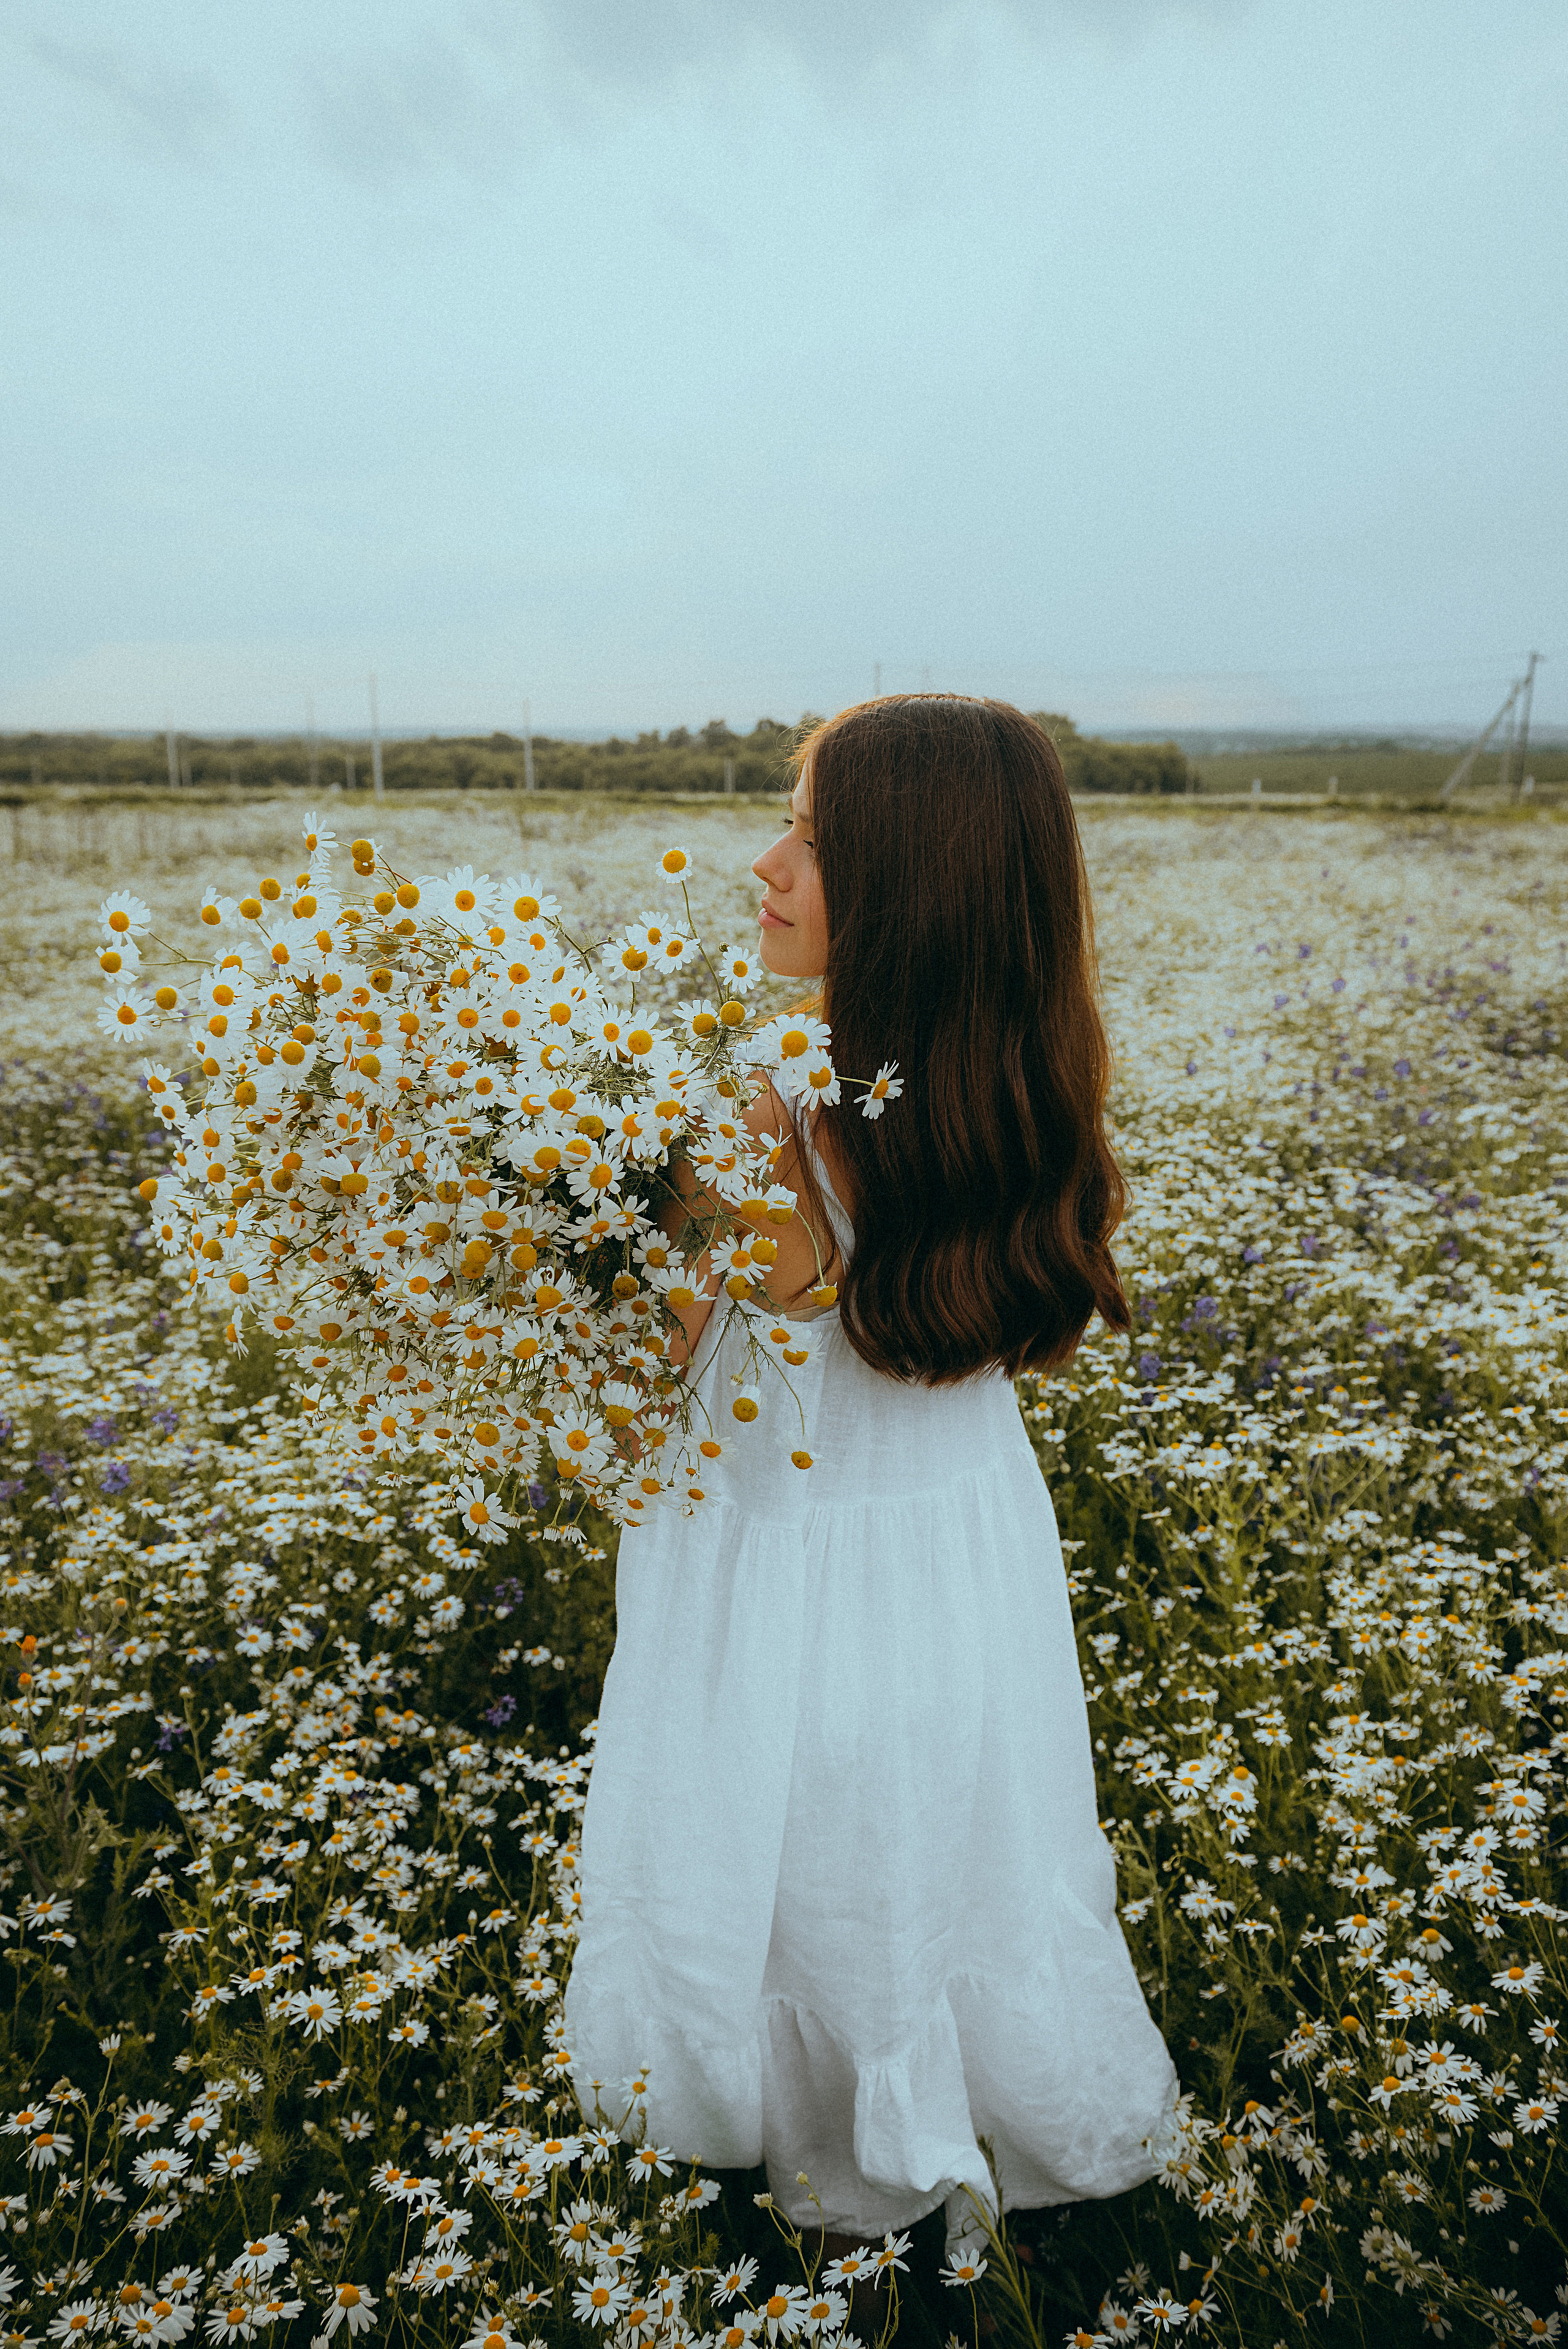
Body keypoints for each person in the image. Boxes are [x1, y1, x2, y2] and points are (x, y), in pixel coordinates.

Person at [564, 695, 1180, 2266]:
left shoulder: (757, 1136)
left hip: (786, 1588)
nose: (763, 864)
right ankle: (986, 2114)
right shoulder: (1015, 1094)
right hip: (959, 1573)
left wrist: (555, 1213)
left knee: (786, 1871)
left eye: (815, 839)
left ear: (911, 890)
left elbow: (633, 1411)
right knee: (951, 1859)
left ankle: (815, 2166)